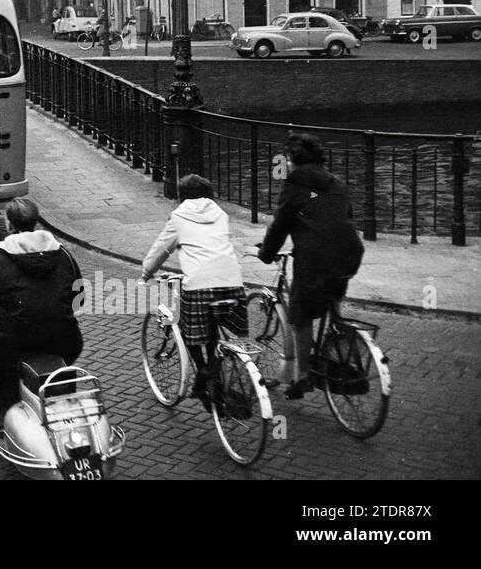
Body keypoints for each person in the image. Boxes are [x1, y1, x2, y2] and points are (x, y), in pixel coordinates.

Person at [0, 198, 84, 435]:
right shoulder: (64, 256)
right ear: (34, 223)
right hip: (64, 341)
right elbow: (79, 298)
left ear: (9, 224)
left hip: (10, 346)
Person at [258, 132, 364, 399]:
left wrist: (266, 254)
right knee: (331, 294)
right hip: (350, 254)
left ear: (293, 161)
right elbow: (344, 219)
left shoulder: (294, 186)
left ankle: (303, 376)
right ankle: (337, 332)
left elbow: (280, 225)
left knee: (300, 315)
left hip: (314, 259)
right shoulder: (337, 184)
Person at [141, 174, 244, 412]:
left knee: (190, 329)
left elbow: (162, 249)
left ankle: (203, 375)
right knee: (214, 332)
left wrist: (147, 271)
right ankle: (213, 373)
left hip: (199, 284)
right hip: (233, 283)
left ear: (181, 196)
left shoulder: (179, 217)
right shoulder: (221, 214)